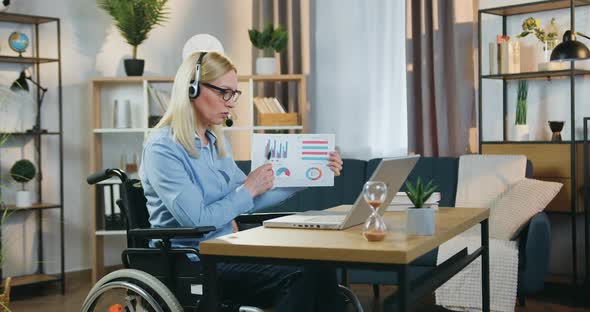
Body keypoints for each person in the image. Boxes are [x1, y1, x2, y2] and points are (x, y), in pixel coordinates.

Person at [139, 51, 345, 311]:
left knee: (320, 264)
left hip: (228, 251)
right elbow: (198, 220)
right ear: (192, 89)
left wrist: (311, 173)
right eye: (224, 92)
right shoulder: (163, 148)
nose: (231, 102)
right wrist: (247, 189)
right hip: (194, 261)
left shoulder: (216, 142)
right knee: (299, 276)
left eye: (234, 93)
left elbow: (250, 198)